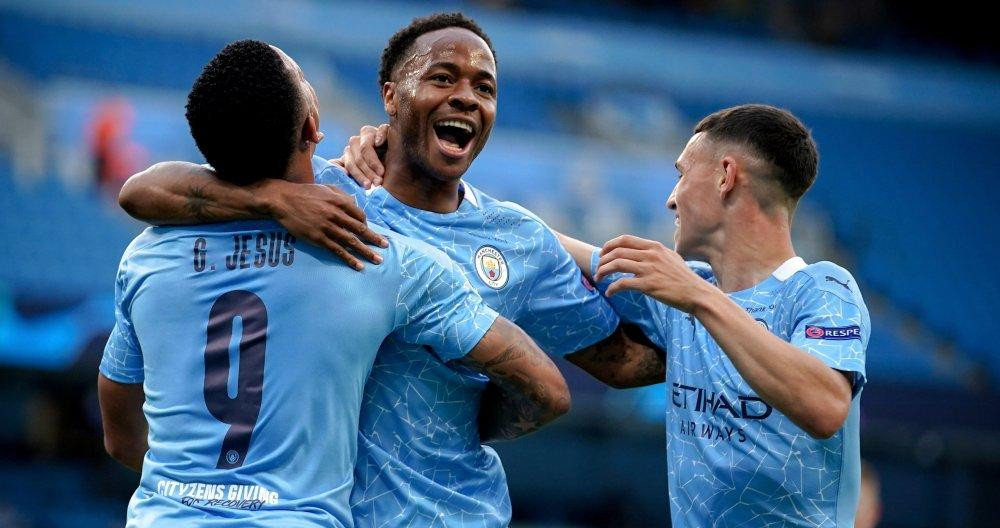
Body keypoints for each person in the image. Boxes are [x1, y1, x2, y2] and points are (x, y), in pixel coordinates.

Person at [118, 13, 665, 528]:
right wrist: (275, 199)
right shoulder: (324, 193)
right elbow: (143, 191)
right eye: (444, 78)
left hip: (450, 512)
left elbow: (620, 364)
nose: (467, 98)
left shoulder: (520, 241)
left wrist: (473, 420)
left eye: (485, 88)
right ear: (390, 98)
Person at [556, 104, 869, 527]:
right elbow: (553, 247)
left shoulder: (823, 288)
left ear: (726, 175)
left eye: (682, 173)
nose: (671, 198)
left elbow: (826, 406)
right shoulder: (685, 288)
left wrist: (699, 297)